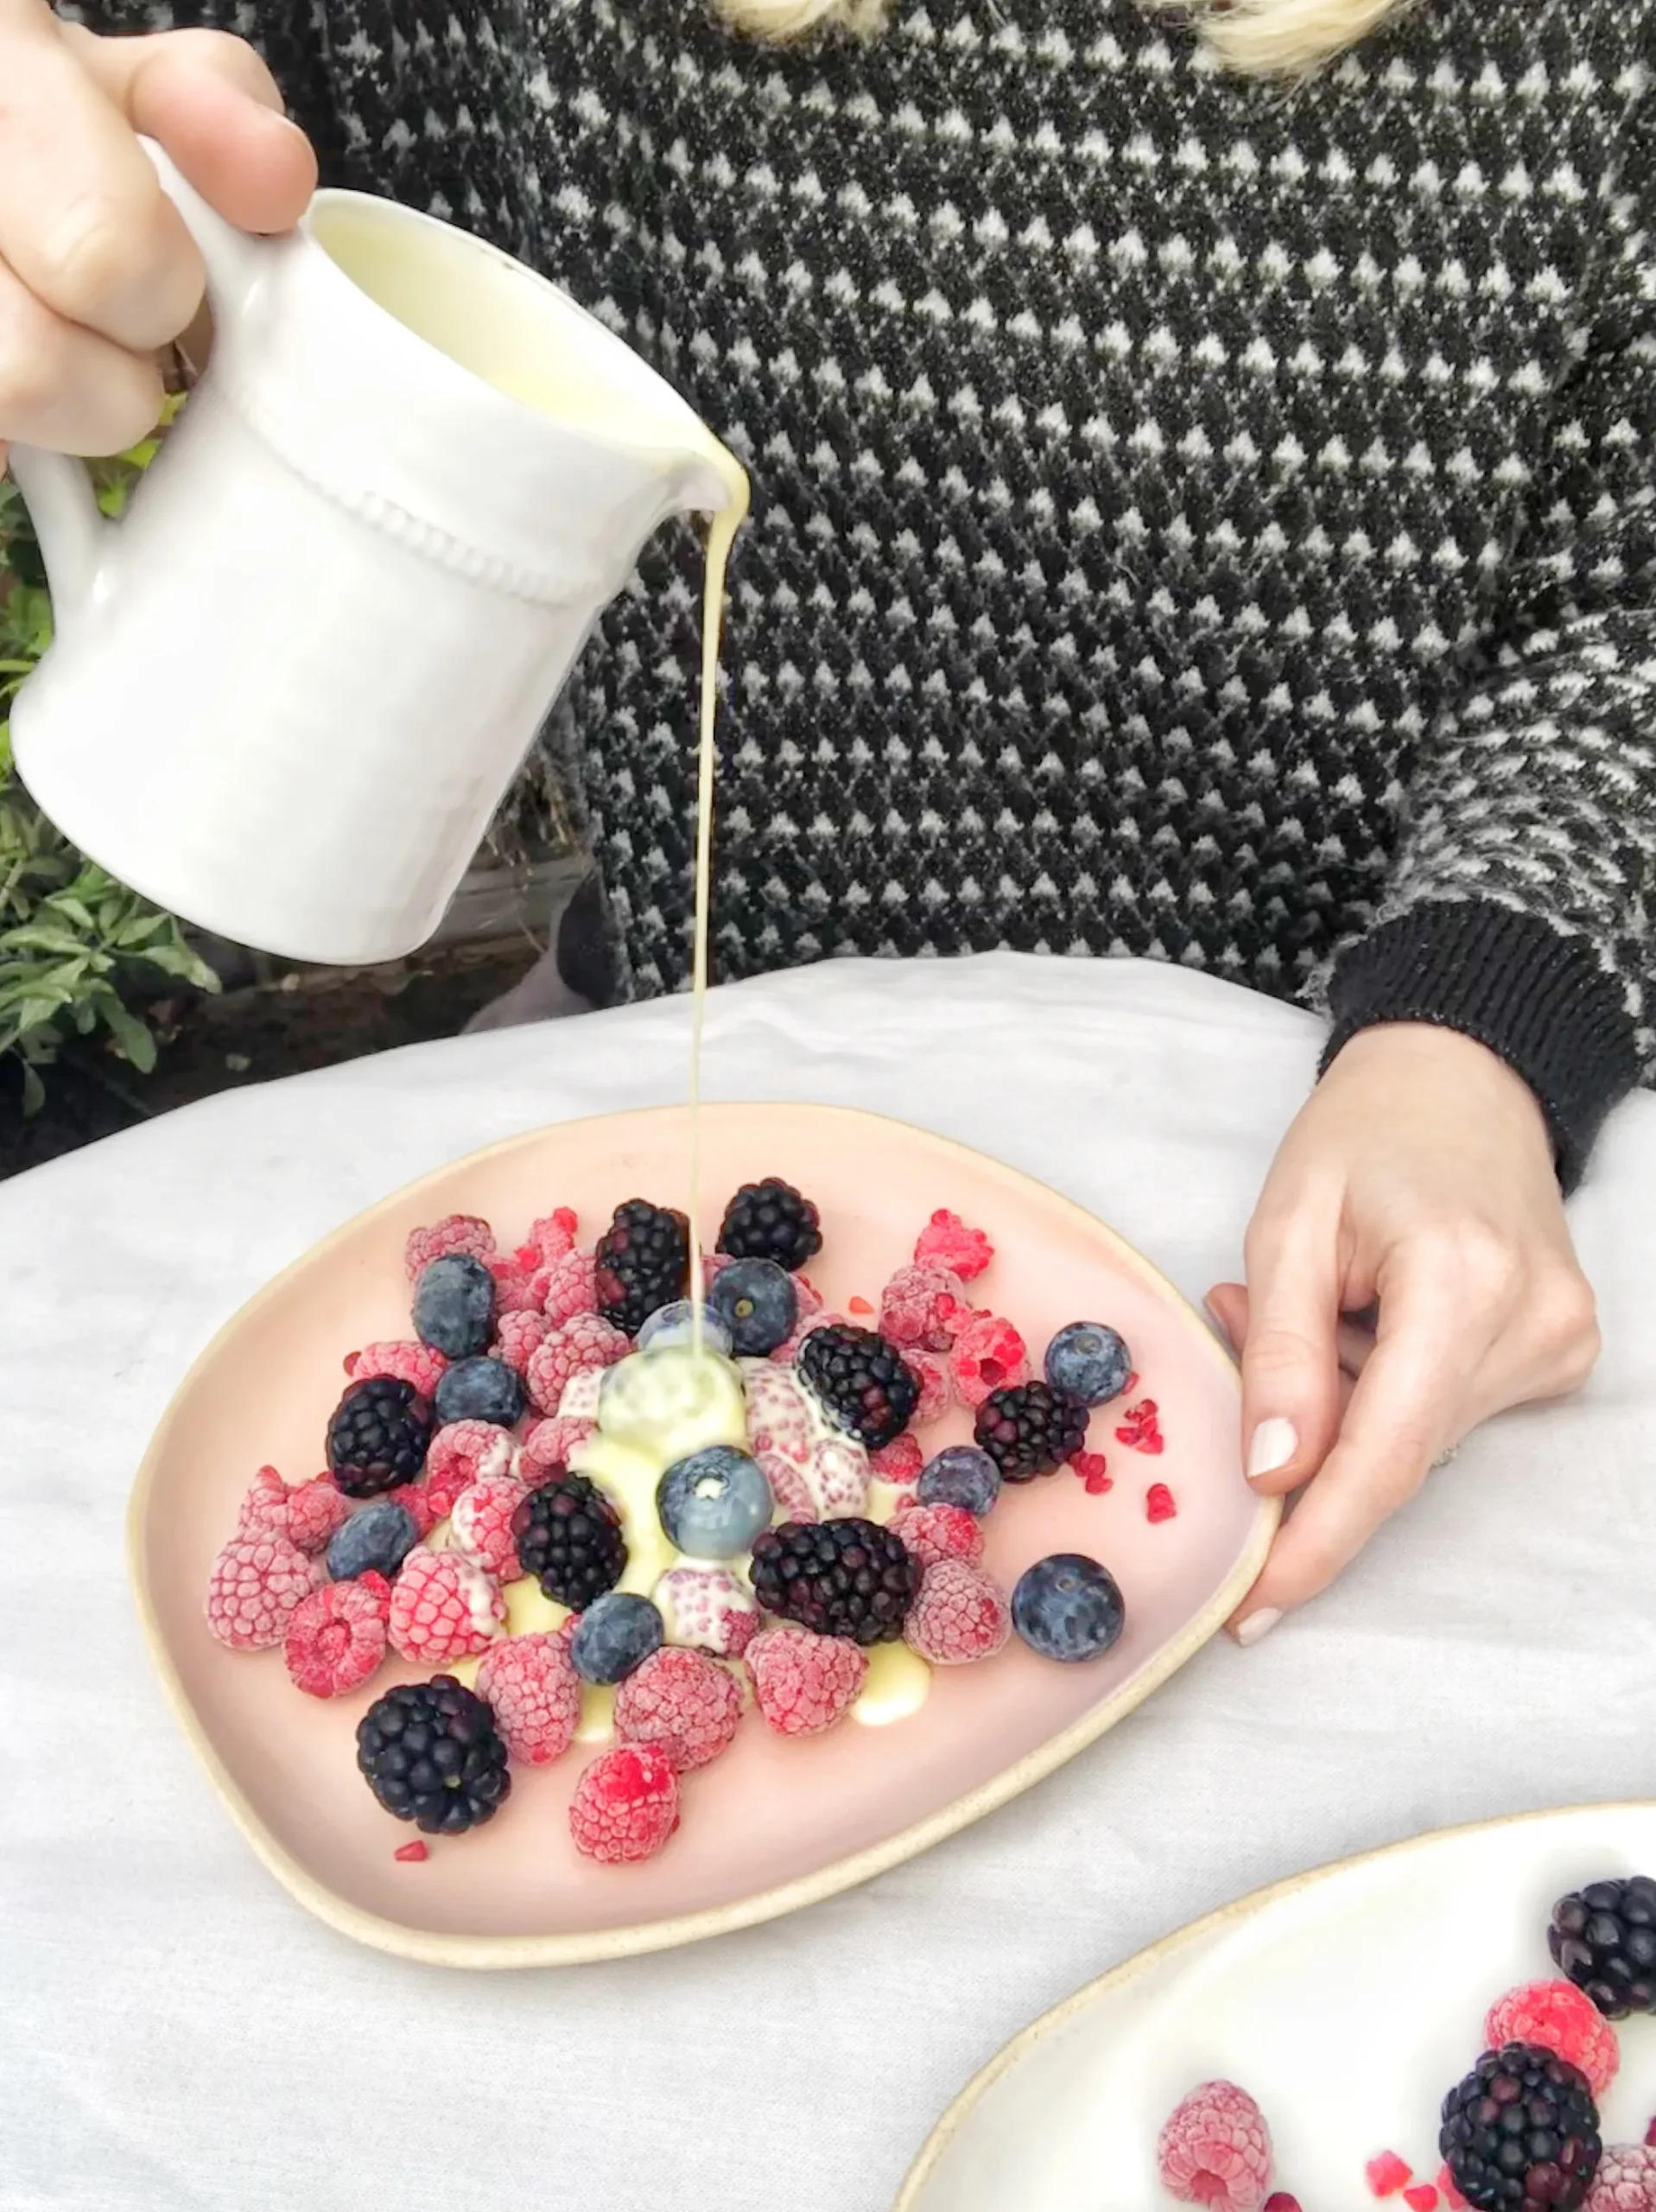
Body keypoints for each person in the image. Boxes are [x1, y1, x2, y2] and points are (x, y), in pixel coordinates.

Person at [2, 0, 1648, 1642]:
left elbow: (1625, 600)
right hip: (657, 1045)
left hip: (1311, 1142)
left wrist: (1480, 1024)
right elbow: (182, 115)